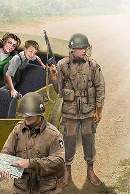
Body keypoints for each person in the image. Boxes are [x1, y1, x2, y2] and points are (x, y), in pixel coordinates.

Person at [49, 33, 105, 186]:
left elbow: (100, 87)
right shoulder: (62, 65)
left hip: (88, 110)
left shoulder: (93, 65)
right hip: (70, 111)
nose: (83, 51)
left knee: (89, 140)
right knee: (68, 141)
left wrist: (98, 110)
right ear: (72, 49)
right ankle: (67, 172)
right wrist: (54, 77)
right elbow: (59, 91)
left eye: (85, 48)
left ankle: (90, 170)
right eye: (80, 48)